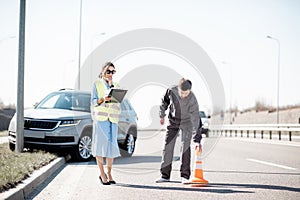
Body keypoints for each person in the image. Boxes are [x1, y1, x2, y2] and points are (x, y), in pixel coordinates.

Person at [156, 78, 202, 184]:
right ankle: (165, 175)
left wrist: (197, 140)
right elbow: (164, 101)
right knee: (168, 147)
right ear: (178, 89)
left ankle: (184, 176)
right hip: (173, 121)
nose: (183, 95)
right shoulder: (172, 91)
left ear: (190, 91)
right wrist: (161, 115)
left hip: (187, 123)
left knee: (185, 148)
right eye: (182, 92)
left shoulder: (192, 99)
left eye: (186, 93)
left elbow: (196, 119)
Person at [91, 61, 121, 185]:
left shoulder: (116, 85)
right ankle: (102, 174)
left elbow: (118, 103)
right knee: (100, 147)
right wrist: (103, 99)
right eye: (108, 71)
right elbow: (93, 102)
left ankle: (109, 173)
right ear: (103, 71)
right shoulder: (97, 84)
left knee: (111, 148)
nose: (110, 74)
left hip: (113, 120)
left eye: (113, 72)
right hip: (101, 120)